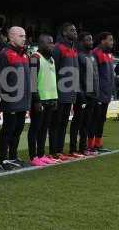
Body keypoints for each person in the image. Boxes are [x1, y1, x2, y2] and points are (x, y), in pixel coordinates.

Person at [0, 27, 31, 170]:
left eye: (25, 36)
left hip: (23, 100)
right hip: (11, 100)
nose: (24, 38)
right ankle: (3, 159)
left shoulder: (25, 55)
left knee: (18, 129)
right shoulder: (4, 54)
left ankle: (13, 156)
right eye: (21, 36)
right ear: (11, 38)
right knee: (8, 129)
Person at [27, 34, 59, 166]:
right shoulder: (35, 58)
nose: (52, 45)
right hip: (39, 100)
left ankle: (41, 154)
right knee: (35, 129)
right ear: (41, 44)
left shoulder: (51, 59)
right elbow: (32, 82)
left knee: (44, 129)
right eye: (49, 43)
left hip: (50, 99)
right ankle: (33, 156)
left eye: (53, 43)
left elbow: (51, 81)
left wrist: (55, 98)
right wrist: (36, 100)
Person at [50, 22, 79, 161]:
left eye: (75, 30)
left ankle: (60, 150)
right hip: (60, 94)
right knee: (56, 123)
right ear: (64, 33)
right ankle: (54, 151)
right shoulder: (58, 48)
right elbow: (53, 71)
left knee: (63, 124)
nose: (75, 32)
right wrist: (55, 93)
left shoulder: (73, 49)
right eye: (71, 30)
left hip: (70, 94)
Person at [69, 32, 99, 157]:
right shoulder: (78, 56)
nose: (91, 42)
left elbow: (95, 75)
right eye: (88, 40)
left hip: (92, 94)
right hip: (82, 95)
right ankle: (73, 149)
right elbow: (76, 76)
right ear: (81, 42)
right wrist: (80, 92)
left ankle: (83, 147)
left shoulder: (91, 56)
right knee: (78, 122)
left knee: (87, 123)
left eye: (91, 40)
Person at [89, 32, 114, 152]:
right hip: (98, 94)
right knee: (94, 119)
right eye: (110, 40)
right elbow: (93, 75)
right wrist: (94, 92)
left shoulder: (109, 55)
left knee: (101, 119)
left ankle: (98, 144)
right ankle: (90, 144)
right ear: (103, 41)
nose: (112, 42)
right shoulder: (95, 53)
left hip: (106, 94)